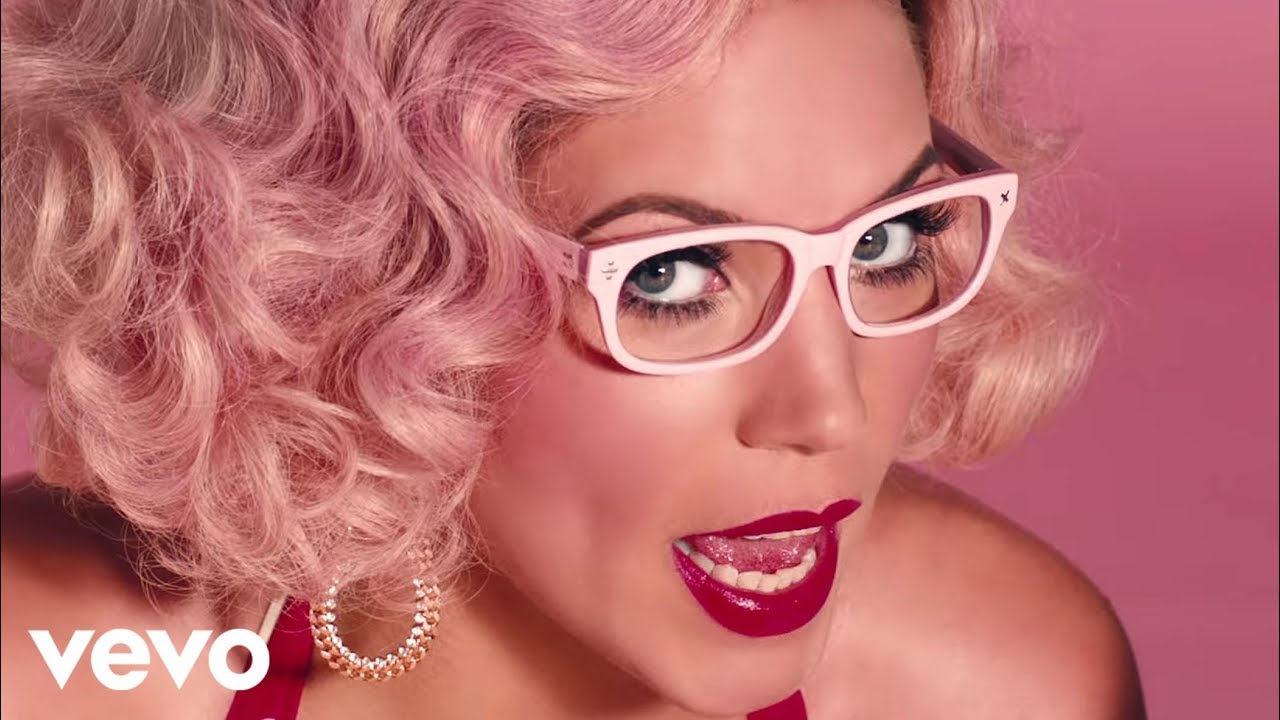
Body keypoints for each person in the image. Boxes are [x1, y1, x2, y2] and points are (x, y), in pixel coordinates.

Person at [0, 0, 1146, 718]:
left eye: (885, 244)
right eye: (671, 276)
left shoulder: (993, 684)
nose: (827, 409)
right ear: (347, 273)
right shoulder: (53, 664)